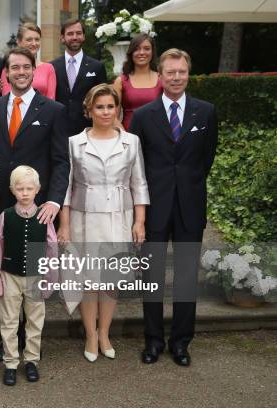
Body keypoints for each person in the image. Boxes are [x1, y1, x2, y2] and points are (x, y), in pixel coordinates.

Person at [129, 49, 218, 367]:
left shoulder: (205, 112)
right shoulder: (142, 116)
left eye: (181, 71)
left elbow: (206, 158)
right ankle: (153, 341)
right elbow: (136, 165)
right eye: (170, 72)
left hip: (190, 206)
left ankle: (181, 343)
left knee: (185, 277)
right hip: (154, 206)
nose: (176, 77)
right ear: (161, 75)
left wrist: (187, 186)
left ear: (188, 73)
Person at [57, 83, 150, 362]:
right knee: (89, 280)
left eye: (111, 106)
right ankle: (90, 334)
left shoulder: (131, 141)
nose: (106, 111)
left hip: (119, 218)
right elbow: (66, 186)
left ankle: (105, 332)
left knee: (110, 281)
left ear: (118, 109)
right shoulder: (75, 142)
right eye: (100, 107)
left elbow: (139, 183)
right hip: (84, 218)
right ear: (89, 110)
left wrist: (140, 221)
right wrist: (64, 224)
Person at [0, 47, 69, 361]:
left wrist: (54, 200)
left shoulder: (53, 110)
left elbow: (61, 161)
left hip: (37, 208)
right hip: (2, 205)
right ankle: (7, 340)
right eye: (14, 68)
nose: (20, 72)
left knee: (33, 274)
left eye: (26, 67)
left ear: (34, 70)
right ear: (6, 73)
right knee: (5, 267)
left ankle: (27, 341)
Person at [0, 165, 57, 386]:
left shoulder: (44, 217)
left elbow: (51, 249)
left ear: (37, 189)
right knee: (8, 322)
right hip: (10, 275)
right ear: (12, 190)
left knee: (35, 322)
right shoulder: (5, 216)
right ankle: (10, 363)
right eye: (20, 188)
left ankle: (31, 361)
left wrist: (50, 280)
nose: (25, 193)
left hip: (37, 276)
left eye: (29, 188)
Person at [51, 19, 107, 136]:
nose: (75, 37)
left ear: (84, 36)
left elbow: (104, 98)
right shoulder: (51, 67)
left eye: (78, 33)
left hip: (89, 130)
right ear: (62, 38)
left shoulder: (97, 67)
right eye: (70, 34)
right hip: (58, 129)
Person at [112, 33, 162, 131]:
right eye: (137, 49)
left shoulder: (161, 78)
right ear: (131, 52)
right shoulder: (121, 81)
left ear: (152, 52)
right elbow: (113, 117)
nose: (142, 52)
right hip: (128, 134)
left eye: (147, 48)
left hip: (157, 135)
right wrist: (125, 137)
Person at [0, 23, 56, 99]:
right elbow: (7, 97)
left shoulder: (48, 68)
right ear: (19, 42)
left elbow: (51, 99)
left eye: (37, 39)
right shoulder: (10, 68)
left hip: (43, 110)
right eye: (29, 40)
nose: (34, 43)